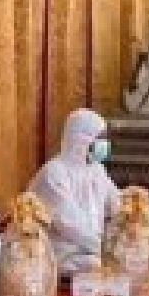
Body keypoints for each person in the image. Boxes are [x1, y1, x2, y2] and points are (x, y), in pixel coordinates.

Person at [27, 109, 121, 276]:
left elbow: (117, 203)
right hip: (61, 250)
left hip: (92, 247)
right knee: (98, 264)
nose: (105, 143)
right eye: (101, 138)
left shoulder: (96, 169)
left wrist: (137, 221)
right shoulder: (55, 172)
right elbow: (69, 223)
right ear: (82, 139)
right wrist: (105, 248)